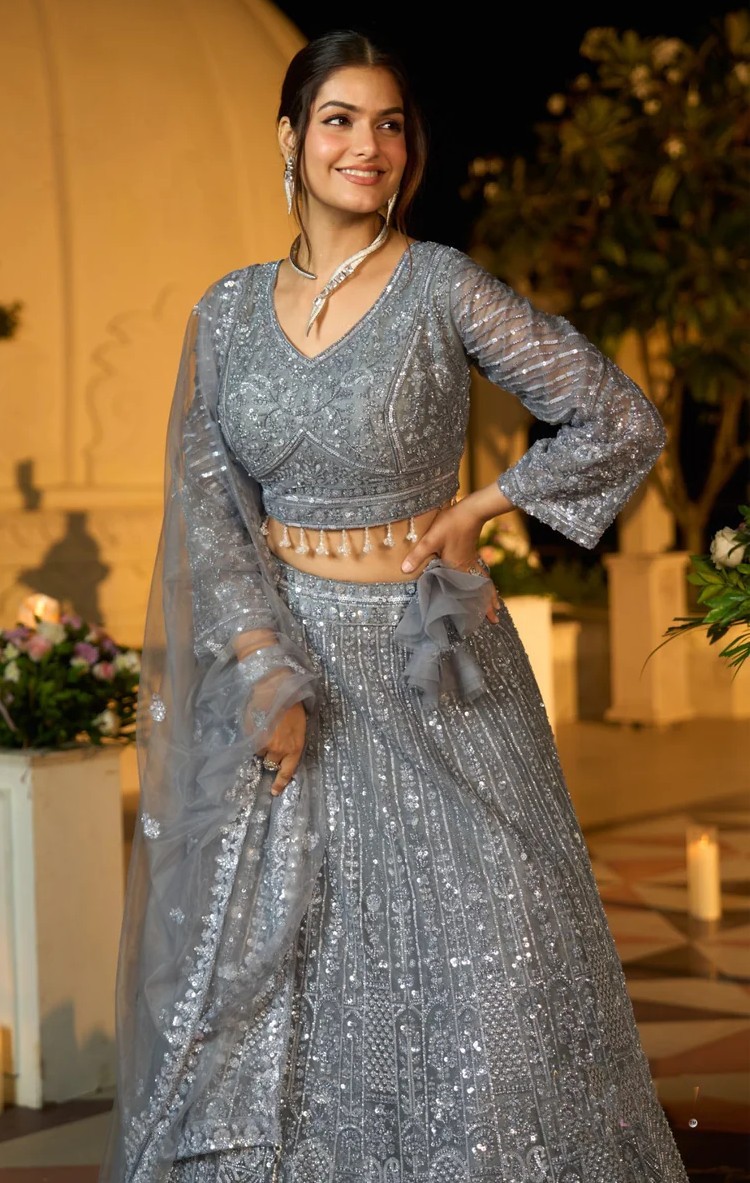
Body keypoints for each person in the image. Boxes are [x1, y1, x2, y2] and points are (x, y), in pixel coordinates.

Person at [100, 28, 690, 1183]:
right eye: (339, 120)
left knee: (499, 958)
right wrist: (266, 669)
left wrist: (487, 506)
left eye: (390, 124)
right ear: (290, 139)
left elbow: (619, 415)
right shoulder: (227, 313)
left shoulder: (442, 286)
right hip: (287, 670)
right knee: (292, 975)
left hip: (437, 672)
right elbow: (210, 508)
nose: (366, 145)